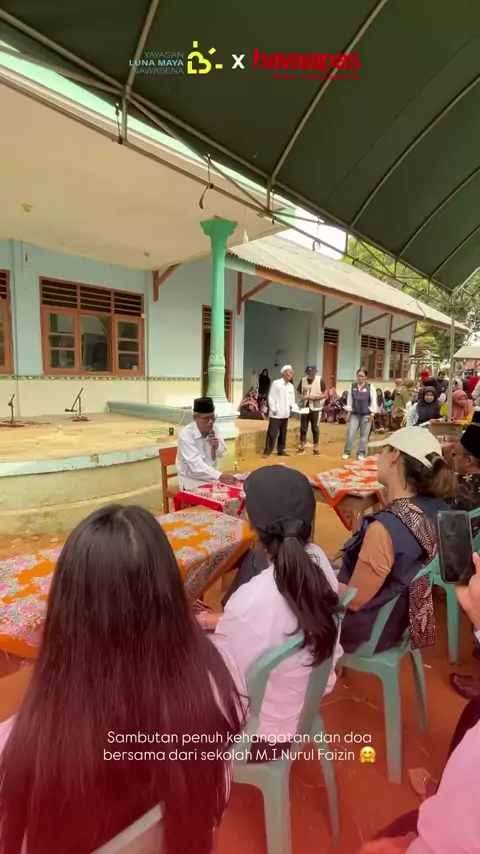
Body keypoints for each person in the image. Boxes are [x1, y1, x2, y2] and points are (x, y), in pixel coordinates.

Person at [0, 505, 246, 854]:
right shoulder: (221, 669)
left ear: (66, 610)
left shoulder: (23, 747)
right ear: (171, 590)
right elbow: (218, 792)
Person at [197, 466, 343, 749]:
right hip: (304, 703)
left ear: (250, 522)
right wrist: (209, 621)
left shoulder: (251, 601)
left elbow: (230, 682)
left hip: (262, 733)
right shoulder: (319, 560)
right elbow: (260, 625)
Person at [360, 556, 480, 854]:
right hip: (409, 627)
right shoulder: (422, 532)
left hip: (438, 836)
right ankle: (438, 789)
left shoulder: (382, 534)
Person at [338, 427, 455, 654]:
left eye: (384, 450)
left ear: (394, 455)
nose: (379, 458)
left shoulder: (384, 529)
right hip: (402, 620)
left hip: (370, 630)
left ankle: (326, 660)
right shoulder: (439, 509)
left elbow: (354, 601)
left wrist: (319, 581)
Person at [176, 397, 236, 489]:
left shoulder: (215, 429)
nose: (211, 421)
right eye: (206, 418)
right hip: (191, 479)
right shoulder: (186, 435)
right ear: (195, 418)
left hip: (213, 477)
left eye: (213, 417)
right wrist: (219, 476)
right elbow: (196, 465)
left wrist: (217, 447)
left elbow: (222, 453)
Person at [342, 368, 377, 461]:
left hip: (366, 414)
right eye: (358, 376)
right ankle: (347, 452)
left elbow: (373, 400)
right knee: (351, 433)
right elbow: (349, 400)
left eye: (362, 376)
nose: (360, 378)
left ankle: (361, 453)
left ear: (365, 377)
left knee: (364, 435)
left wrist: (372, 413)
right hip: (355, 414)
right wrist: (348, 412)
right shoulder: (352, 386)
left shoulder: (370, 387)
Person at [263, 365, 295, 458]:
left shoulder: (291, 386)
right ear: (284, 373)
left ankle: (281, 450)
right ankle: (267, 451)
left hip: (285, 414)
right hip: (276, 413)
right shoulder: (276, 383)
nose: (291, 374)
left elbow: (292, 401)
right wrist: (273, 409)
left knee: (283, 433)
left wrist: (295, 408)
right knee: (272, 433)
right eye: (290, 372)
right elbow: (271, 397)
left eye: (292, 373)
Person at [296, 365, 327, 455]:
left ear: (315, 372)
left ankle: (316, 449)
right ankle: (302, 447)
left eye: (312, 373)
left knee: (315, 428)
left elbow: (325, 394)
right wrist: (303, 397)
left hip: (316, 408)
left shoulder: (320, 380)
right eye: (309, 373)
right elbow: (298, 393)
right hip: (305, 407)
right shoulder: (303, 380)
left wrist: (316, 397)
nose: (311, 375)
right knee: (303, 427)